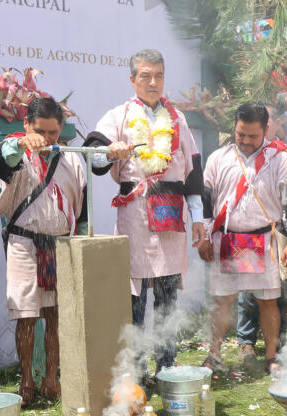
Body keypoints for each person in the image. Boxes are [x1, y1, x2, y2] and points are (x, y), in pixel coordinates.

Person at [85, 49, 205, 379]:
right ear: (133, 80)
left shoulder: (178, 119)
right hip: (135, 217)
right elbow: (94, 160)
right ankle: (135, 372)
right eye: (145, 76)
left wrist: (199, 219)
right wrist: (109, 152)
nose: (153, 82)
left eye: (159, 76)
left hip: (171, 217)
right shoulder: (118, 116)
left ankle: (167, 367)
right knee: (134, 299)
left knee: (167, 298)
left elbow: (194, 172)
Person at [0, 97, 87, 406]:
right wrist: (23, 143)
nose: (46, 139)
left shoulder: (72, 158)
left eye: (53, 133)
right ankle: (26, 380)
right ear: (26, 126)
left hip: (59, 244)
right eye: (40, 131)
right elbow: (4, 160)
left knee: (54, 314)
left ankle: (51, 378)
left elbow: (79, 209)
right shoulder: (15, 150)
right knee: (26, 315)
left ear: (61, 130)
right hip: (24, 242)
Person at [197, 103, 287, 373]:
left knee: (268, 302)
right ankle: (214, 354)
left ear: (265, 130)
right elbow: (206, 201)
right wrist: (205, 237)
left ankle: (270, 358)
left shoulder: (280, 159)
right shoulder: (218, 158)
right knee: (222, 300)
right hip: (226, 239)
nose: (245, 141)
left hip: (263, 240)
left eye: (252, 136)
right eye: (240, 134)